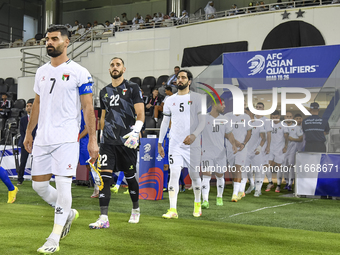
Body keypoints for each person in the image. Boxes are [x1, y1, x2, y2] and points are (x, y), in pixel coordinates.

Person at [24, 25, 98, 254]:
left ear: (66, 42)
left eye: (54, 39)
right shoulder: (41, 72)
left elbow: (88, 108)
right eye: (48, 39)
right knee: (38, 185)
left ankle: (54, 238)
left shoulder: (79, 71)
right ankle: (68, 212)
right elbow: (37, 104)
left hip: (66, 138)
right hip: (43, 138)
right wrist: (29, 132)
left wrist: (93, 139)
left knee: (64, 185)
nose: (49, 42)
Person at [89, 57, 144, 228]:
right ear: (109, 69)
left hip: (127, 141)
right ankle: (103, 218)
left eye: (118, 65)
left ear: (124, 69)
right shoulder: (104, 91)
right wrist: (98, 141)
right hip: (108, 142)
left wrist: (136, 132)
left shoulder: (133, 88)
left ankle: (135, 209)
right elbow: (103, 118)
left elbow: (140, 113)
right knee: (105, 179)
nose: (115, 67)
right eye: (112, 65)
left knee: (130, 177)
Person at [158, 69, 205, 219]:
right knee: (174, 174)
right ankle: (173, 209)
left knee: (194, 175)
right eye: (178, 78)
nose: (180, 80)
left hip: (193, 144)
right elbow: (165, 122)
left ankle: (198, 204)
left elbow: (203, 121)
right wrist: (160, 142)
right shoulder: (169, 100)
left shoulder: (199, 98)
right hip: (175, 144)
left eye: (183, 78)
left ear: (189, 81)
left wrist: (194, 135)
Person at [201, 98, 237, 208]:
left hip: (220, 153)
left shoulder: (225, 119)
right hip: (206, 152)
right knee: (206, 175)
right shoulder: (203, 118)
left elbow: (229, 134)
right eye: (222, 104)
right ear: (214, 105)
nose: (224, 106)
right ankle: (205, 201)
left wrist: (233, 144)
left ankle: (219, 197)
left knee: (220, 176)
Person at [225, 108, 252, 201]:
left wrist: (243, 143)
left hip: (242, 148)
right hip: (230, 147)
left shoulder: (246, 117)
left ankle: (234, 194)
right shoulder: (227, 116)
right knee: (233, 171)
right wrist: (234, 142)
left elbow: (249, 132)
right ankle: (240, 190)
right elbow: (224, 132)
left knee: (238, 169)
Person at [244, 107, 266, 197]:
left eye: (246, 112)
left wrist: (260, 147)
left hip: (256, 151)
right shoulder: (243, 122)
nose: (244, 114)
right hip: (245, 151)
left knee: (258, 171)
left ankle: (257, 190)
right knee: (246, 171)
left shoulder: (259, 123)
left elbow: (263, 137)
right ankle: (250, 185)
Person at [266, 110, 288, 193]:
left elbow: (286, 137)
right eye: (273, 117)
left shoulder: (283, 125)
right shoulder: (269, 124)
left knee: (279, 167)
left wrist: (286, 146)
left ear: (279, 116)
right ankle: (270, 182)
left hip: (280, 149)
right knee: (267, 166)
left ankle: (278, 185)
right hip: (270, 148)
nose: (274, 119)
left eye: (276, 117)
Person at [17, 98, 37, 185]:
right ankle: (20, 179)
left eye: (30, 106)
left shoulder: (38, 119)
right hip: (25, 142)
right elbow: (21, 131)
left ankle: (36, 178)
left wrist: (33, 140)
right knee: (23, 162)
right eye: (27, 106)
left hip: (36, 143)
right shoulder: (23, 119)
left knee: (36, 162)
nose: (28, 108)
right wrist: (27, 139)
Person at [283, 112, 303, 191]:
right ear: (285, 117)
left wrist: (293, 139)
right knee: (284, 167)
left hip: (292, 148)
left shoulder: (296, 127)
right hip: (283, 149)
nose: (289, 118)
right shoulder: (282, 126)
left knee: (290, 166)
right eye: (287, 116)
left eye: (290, 116)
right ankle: (287, 182)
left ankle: (290, 184)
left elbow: (301, 139)